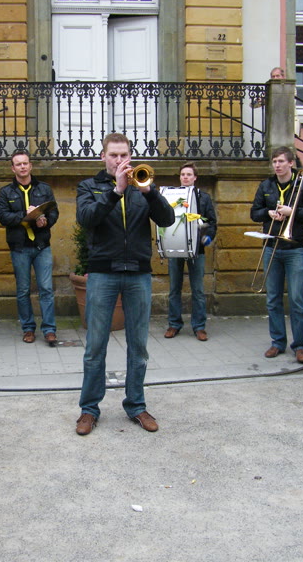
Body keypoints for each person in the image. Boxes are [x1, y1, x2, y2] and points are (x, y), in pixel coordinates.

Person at [74, 133, 175, 436]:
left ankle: (136, 405)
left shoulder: (142, 185)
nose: (119, 160)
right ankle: (89, 409)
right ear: (103, 157)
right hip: (102, 273)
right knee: (95, 346)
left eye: (124, 155)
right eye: (113, 155)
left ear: (130, 156)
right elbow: (86, 218)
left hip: (138, 273)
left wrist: (149, 193)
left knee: (139, 345)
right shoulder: (89, 187)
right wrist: (116, 191)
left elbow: (168, 219)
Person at [250, 146, 303, 364]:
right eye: (274, 161)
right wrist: (268, 213)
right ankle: (277, 342)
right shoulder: (266, 185)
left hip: (296, 249)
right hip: (272, 245)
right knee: (273, 299)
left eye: (281, 161)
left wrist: (294, 212)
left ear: (291, 163)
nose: (277, 165)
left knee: (297, 299)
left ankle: (300, 345)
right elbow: (254, 212)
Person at [0, 151, 59, 344]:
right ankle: (28, 328)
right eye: (18, 164)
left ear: (30, 166)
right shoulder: (6, 192)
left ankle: (49, 329)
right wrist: (26, 216)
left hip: (42, 246)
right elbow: (3, 217)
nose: (22, 167)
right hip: (19, 248)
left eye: (25, 163)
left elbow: (54, 212)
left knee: (46, 289)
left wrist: (45, 220)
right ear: (13, 168)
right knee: (23, 290)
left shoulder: (44, 189)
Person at [164, 163, 217, 341]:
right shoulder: (172, 196)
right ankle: (174, 324)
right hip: (175, 247)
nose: (185, 177)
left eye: (189, 174)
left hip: (197, 249)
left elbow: (211, 222)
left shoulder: (204, 197)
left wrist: (208, 236)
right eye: (183, 174)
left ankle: (199, 327)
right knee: (174, 288)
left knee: (198, 290)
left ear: (195, 178)